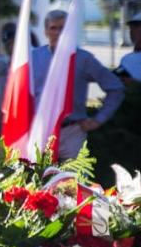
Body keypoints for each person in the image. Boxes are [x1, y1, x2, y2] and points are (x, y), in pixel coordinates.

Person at [32, 10, 124, 160]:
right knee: (36, 182)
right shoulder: (33, 58)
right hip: (40, 130)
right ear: (45, 31)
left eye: (62, 28)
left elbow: (115, 87)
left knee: (75, 181)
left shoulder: (83, 59)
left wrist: (99, 119)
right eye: (53, 28)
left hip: (72, 131)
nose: (58, 32)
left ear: (69, 31)